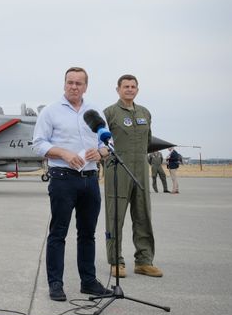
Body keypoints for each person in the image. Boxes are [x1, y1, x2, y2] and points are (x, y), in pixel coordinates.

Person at [32, 67, 111, 302]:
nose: (74, 87)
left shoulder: (94, 112)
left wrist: (101, 152)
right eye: (70, 82)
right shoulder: (51, 112)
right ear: (64, 84)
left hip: (90, 180)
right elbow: (38, 144)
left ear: (86, 86)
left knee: (87, 234)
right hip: (63, 178)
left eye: (79, 83)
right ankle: (55, 283)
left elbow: (108, 143)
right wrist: (64, 154)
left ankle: (89, 282)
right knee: (58, 233)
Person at [103, 75, 163, 278]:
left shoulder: (145, 113)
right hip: (117, 172)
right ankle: (116, 262)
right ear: (118, 89)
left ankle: (144, 261)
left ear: (137, 89)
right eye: (126, 86)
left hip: (141, 172)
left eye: (133, 86)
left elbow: (147, 142)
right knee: (115, 218)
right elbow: (101, 144)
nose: (129, 89)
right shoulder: (109, 113)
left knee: (143, 215)